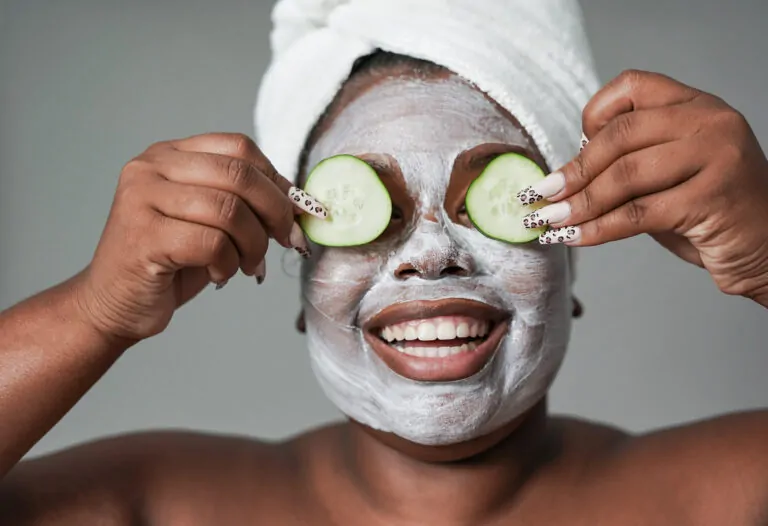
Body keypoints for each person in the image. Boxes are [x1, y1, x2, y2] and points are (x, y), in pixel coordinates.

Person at [2, 0, 768, 524]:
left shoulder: (728, 494)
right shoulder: (157, 505)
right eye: (369, 216)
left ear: (569, 275)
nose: (430, 256)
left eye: (493, 207)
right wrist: (93, 312)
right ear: (304, 291)